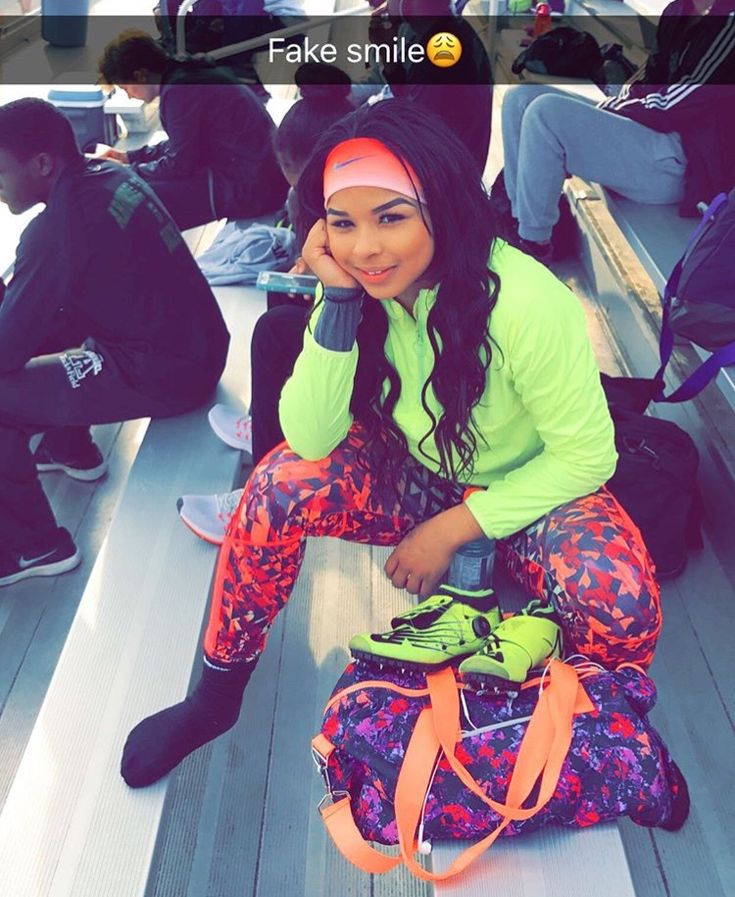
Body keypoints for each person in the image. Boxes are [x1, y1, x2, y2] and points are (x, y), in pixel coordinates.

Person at [120, 99, 662, 789]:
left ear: (441, 207)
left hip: (527, 492)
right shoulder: (360, 283)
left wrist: (451, 529)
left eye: (391, 217)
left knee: (620, 600)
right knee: (274, 486)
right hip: (421, 468)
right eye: (341, 223)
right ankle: (214, 697)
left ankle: (589, 716)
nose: (365, 247)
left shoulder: (527, 302)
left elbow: (588, 457)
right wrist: (338, 302)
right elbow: (310, 437)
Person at [0, 98, 230, 586]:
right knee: (57, 311)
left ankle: (32, 546)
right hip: (199, 344)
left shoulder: (57, 229)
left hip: (166, 371)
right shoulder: (109, 176)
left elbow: (8, 349)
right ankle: (69, 446)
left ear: (42, 164)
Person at [178, 63, 356, 542]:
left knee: (274, 330)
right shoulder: (346, 192)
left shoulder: (339, 208)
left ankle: (261, 502)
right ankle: (266, 422)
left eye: (291, 174)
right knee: (280, 302)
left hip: (388, 342)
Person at [498, 0, 735, 263]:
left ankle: (536, 245)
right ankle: (519, 221)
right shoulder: (679, 10)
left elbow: (681, 101)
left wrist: (613, 108)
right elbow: (645, 77)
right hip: (650, 139)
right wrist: (617, 104)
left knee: (545, 113)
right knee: (521, 98)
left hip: (684, 164)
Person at [97, 29, 288, 230]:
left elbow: (180, 163)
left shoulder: (179, 92)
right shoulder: (185, 75)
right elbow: (183, 146)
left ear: (141, 75)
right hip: (259, 174)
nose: (128, 96)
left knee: (135, 198)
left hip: (252, 187)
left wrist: (127, 172)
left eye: (125, 88)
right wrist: (129, 157)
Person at [367, 0, 494, 175]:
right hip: (455, 158)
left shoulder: (438, 55)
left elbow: (417, 129)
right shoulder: (446, 29)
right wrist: (385, 49)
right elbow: (408, 99)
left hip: (448, 174)